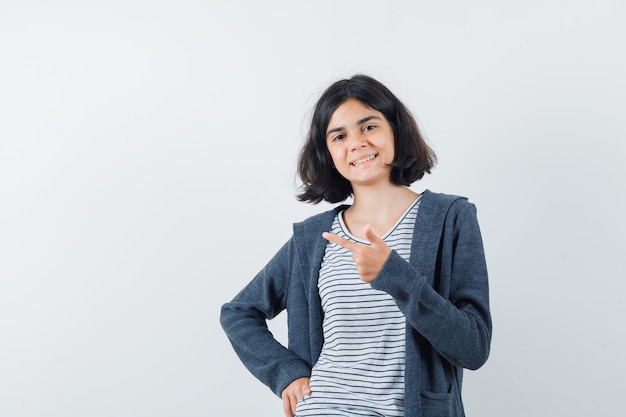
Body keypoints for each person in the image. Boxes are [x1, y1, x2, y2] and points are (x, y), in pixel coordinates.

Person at [220, 74, 492, 417]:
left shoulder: (450, 218)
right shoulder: (312, 239)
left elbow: (474, 347)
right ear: (328, 152)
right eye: (339, 135)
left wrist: (396, 277)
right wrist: (286, 373)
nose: (357, 143)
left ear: (395, 130)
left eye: (369, 127)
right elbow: (238, 312)